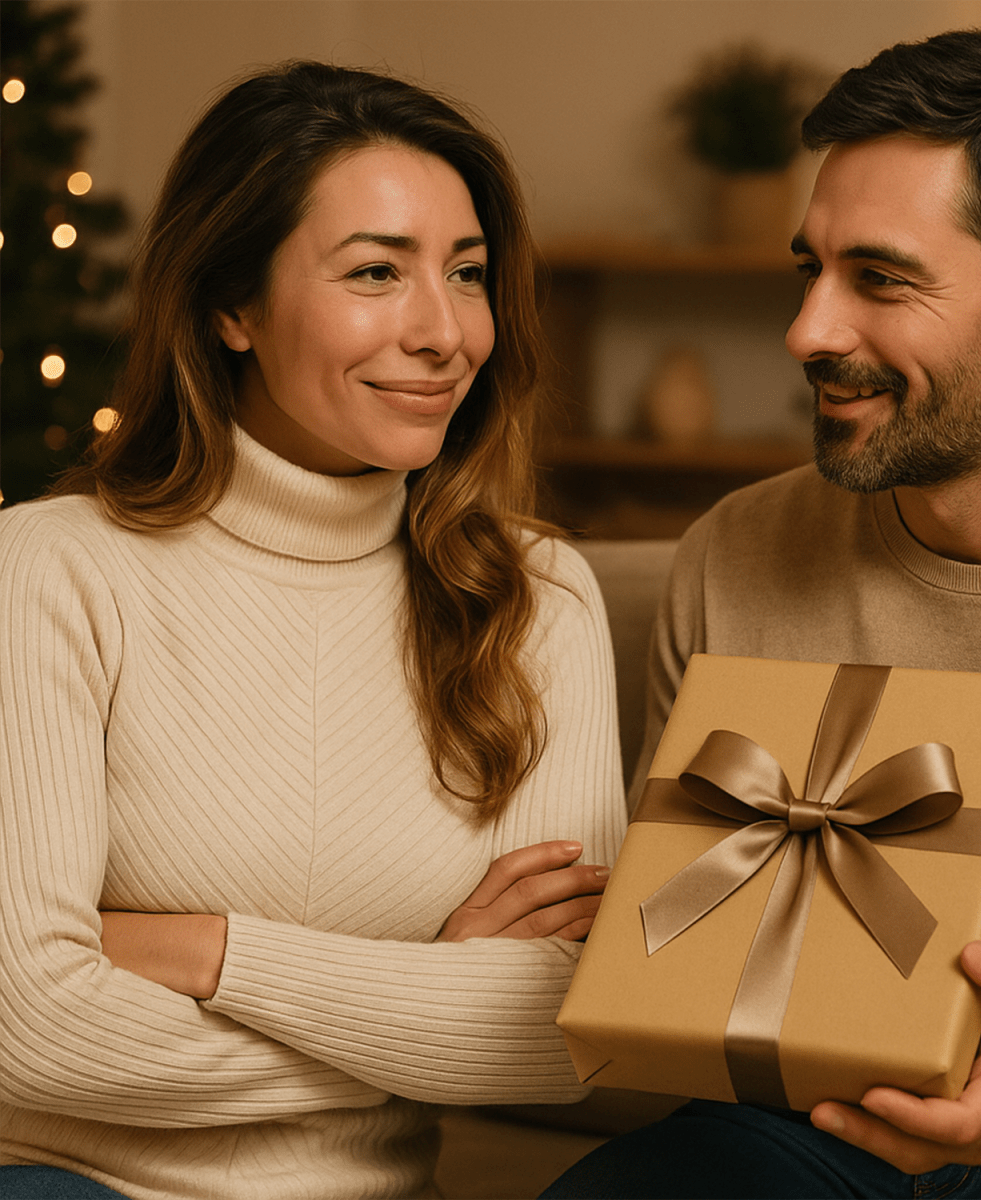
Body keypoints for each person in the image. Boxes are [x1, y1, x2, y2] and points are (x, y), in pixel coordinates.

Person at [543, 27, 981, 1200]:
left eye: (880, 280)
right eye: (811, 269)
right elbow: (669, 978)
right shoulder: (733, 555)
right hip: (796, 1134)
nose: (807, 333)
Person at [0, 62, 626, 1199]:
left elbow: (567, 1034)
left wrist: (203, 950)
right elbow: (28, 1027)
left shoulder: (541, 600)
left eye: (469, 275)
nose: (445, 332)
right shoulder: (51, 573)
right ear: (228, 305)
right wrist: (420, 1009)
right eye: (376, 272)